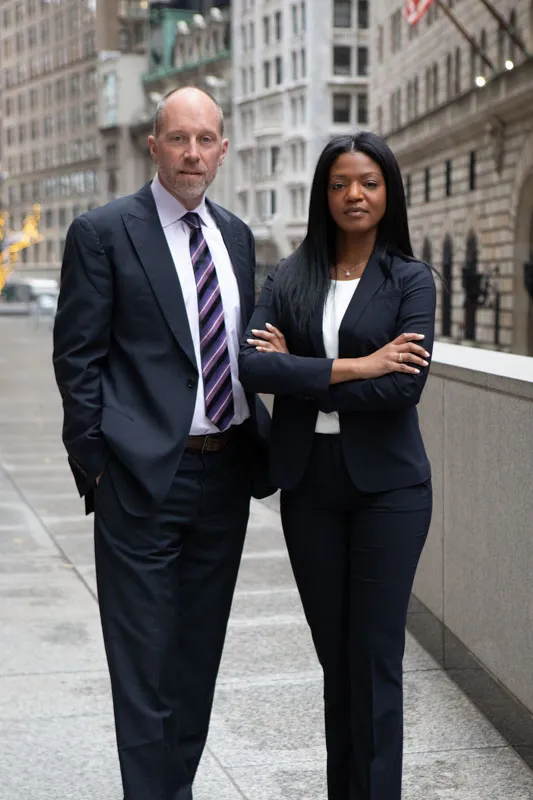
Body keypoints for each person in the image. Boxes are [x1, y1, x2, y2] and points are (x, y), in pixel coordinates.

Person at [53, 86, 272, 800]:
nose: (192, 153)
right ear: (154, 146)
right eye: (178, 139)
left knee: (195, 660)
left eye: (205, 139)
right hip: (141, 481)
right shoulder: (103, 232)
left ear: (223, 149)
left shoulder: (234, 236)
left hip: (224, 476)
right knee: (143, 665)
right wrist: (99, 468)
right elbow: (77, 358)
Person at [239, 132, 436, 800]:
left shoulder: (409, 279)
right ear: (323, 194)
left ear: (387, 193)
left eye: (369, 182)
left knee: (375, 659)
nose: (354, 194)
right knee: (335, 660)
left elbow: (402, 386)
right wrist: (358, 364)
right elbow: (253, 365)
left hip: (389, 489)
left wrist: (300, 372)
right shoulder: (290, 277)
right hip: (309, 485)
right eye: (340, 183)